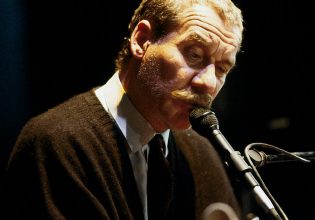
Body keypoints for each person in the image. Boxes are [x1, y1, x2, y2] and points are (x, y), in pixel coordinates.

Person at [2, 0, 244, 219]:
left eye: (222, 69)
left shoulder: (200, 154)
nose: (209, 83)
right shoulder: (57, 141)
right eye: (194, 55)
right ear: (141, 41)